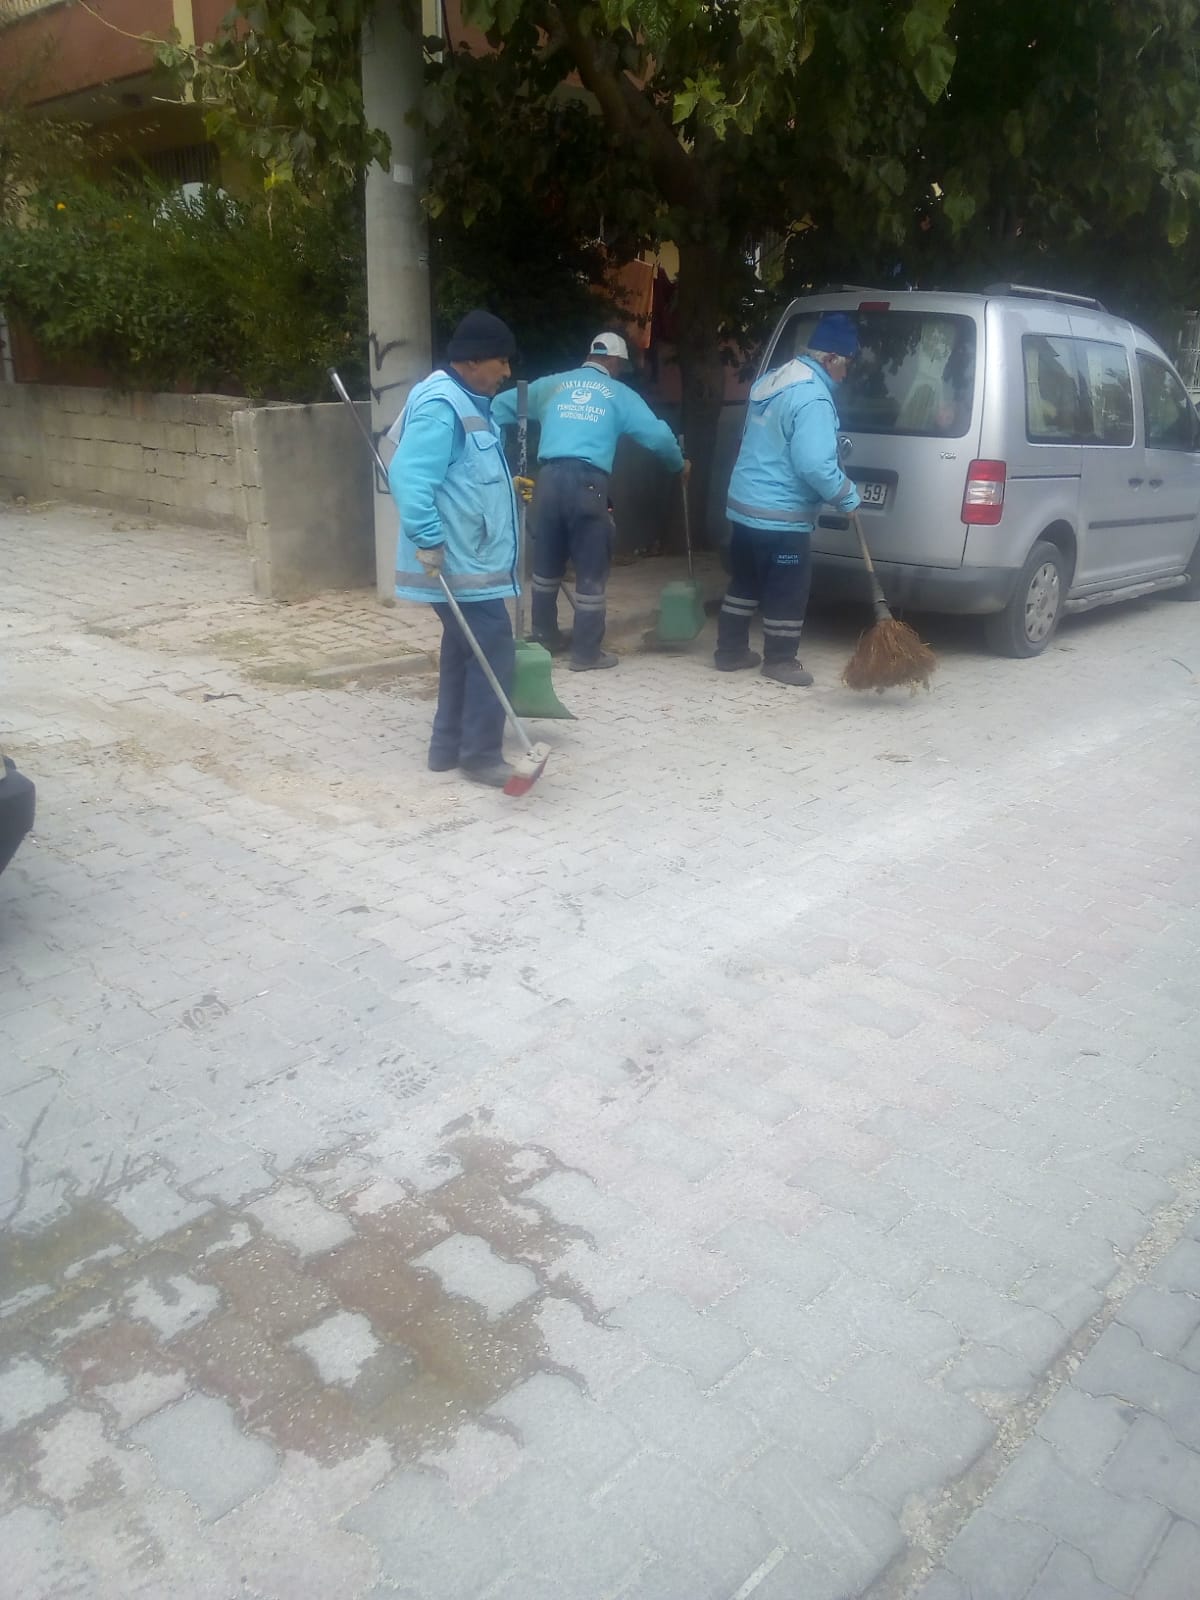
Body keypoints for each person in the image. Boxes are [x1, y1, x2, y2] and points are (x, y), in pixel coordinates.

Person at [493, 332, 686, 671]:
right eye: (621, 365)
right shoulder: (619, 395)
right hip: (588, 483)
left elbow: (496, 407)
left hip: (548, 480)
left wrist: (490, 448)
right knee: (591, 567)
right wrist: (678, 464)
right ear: (613, 361)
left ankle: (544, 637)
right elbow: (658, 436)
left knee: (546, 564)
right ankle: (586, 653)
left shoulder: (551, 385)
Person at [388, 309, 522, 788]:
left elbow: (465, 474)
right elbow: (408, 476)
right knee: (494, 648)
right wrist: (428, 538)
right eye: (501, 361)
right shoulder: (442, 404)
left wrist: (508, 489)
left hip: (470, 557)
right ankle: (481, 755)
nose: (506, 371)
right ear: (473, 360)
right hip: (458, 560)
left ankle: (446, 748)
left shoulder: (467, 401)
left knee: (465, 647)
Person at [716, 312, 862, 686]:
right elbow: (814, 463)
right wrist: (847, 496)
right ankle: (780, 660)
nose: (845, 374)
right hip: (781, 516)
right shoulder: (813, 396)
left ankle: (729, 651)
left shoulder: (774, 380)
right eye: (846, 364)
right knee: (788, 586)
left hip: (745, 507)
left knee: (745, 580)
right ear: (831, 357)